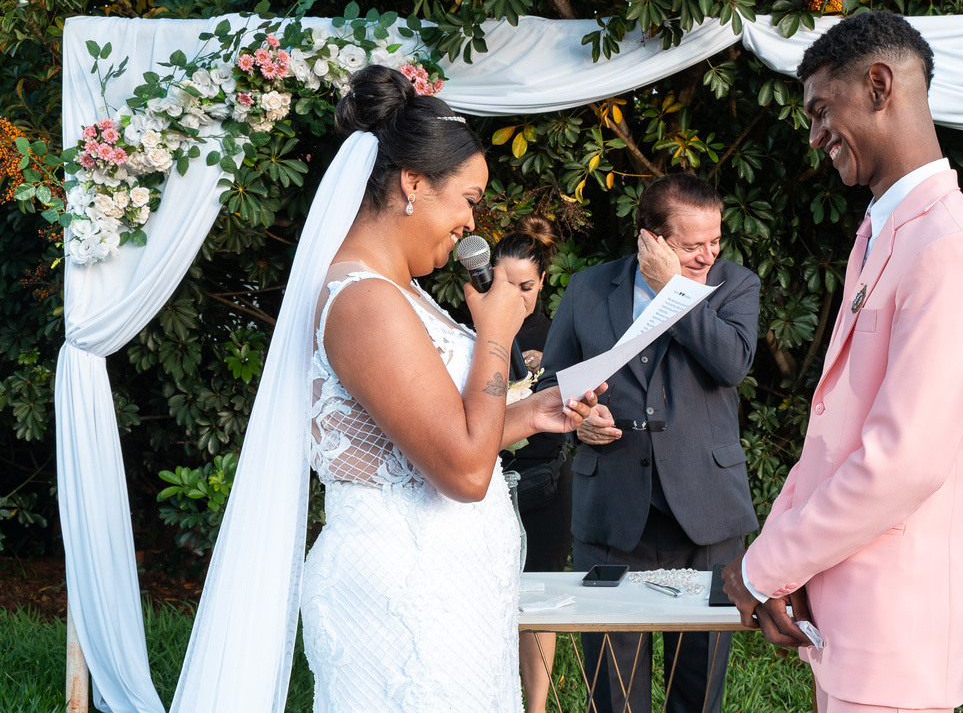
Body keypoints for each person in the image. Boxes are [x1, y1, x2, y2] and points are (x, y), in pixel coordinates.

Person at [722, 11, 963, 713]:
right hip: (848, 632)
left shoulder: (949, 246)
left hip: (897, 645)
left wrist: (764, 568)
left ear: (880, 85)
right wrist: (783, 558)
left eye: (822, 108)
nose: (815, 133)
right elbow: (833, 434)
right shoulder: (884, 233)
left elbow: (902, 459)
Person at [299, 65, 601, 712]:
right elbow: (464, 472)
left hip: (447, 602)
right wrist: (495, 331)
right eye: (467, 199)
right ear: (413, 184)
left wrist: (532, 413)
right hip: (403, 608)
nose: (471, 223)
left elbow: (439, 433)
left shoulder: (399, 290)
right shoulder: (364, 301)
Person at [539, 173, 761, 713]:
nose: (709, 255)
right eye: (692, 246)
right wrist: (580, 415)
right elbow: (551, 381)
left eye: (716, 240)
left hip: (705, 514)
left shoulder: (735, 284)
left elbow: (731, 363)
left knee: (698, 689)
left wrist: (673, 290)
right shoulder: (589, 288)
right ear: (650, 239)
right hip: (613, 512)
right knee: (613, 692)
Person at [492, 214, 573, 713]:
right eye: (504, 283)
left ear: (542, 282)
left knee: (541, 594)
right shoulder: (469, 333)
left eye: (526, 286)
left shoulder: (564, 332)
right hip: (487, 483)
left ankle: (536, 707)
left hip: (548, 480)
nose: (517, 297)